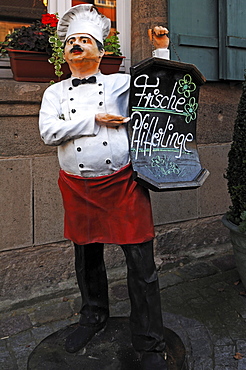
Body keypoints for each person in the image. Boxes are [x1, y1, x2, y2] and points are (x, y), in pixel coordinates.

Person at [39, 4, 168, 369]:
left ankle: (149, 343)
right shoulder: (54, 93)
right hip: (78, 186)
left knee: (142, 265)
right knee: (87, 259)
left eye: (85, 40)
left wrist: (160, 51)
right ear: (63, 51)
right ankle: (93, 317)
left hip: (123, 184)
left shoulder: (119, 83)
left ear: (101, 51)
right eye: (72, 41)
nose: (77, 45)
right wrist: (93, 118)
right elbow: (48, 132)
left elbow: (159, 88)